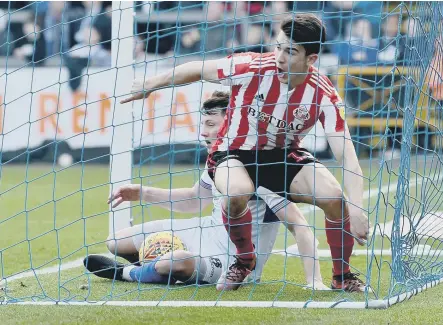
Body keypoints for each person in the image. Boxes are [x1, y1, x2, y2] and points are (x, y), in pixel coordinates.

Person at [120, 13, 369, 292]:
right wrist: (151, 84)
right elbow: (199, 68)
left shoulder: (322, 93)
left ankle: (342, 276)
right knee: (236, 192)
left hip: (281, 156)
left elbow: (347, 155)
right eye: (278, 47)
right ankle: (243, 260)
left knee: (334, 197)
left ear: (311, 59)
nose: (280, 57)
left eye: (291, 52)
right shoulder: (252, 67)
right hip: (233, 153)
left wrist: (357, 208)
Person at [85, 91, 329, 290]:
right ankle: (159, 269)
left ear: (233, 126)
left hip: (230, 261)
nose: (203, 131)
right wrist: (142, 193)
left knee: (176, 260)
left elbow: (299, 225)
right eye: (203, 124)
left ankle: (128, 273)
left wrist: (314, 281)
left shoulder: (261, 168)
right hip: (203, 231)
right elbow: (195, 200)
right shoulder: (219, 160)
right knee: (116, 242)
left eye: (211, 124)